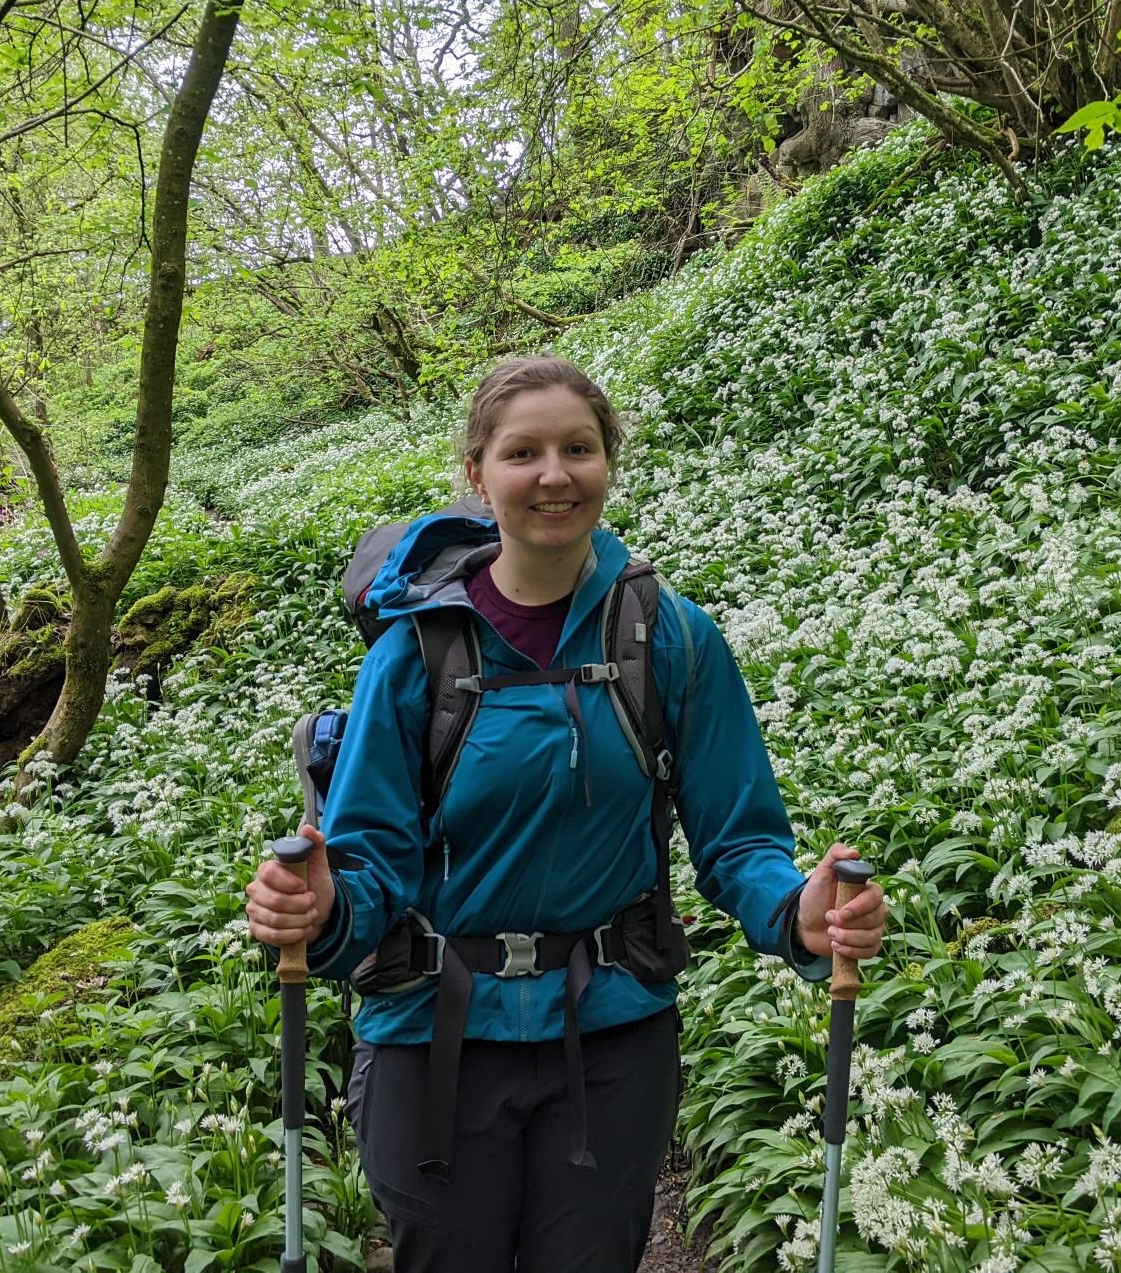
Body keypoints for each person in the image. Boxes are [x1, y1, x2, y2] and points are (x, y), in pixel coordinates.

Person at [245, 355, 886, 1273]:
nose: (555, 475)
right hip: (431, 1032)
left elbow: (739, 837)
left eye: (579, 449)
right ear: (478, 476)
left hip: (613, 1028)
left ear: (608, 463)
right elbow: (370, 858)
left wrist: (796, 913)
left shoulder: (671, 637)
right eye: (523, 453)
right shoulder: (414, 653)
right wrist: (321, 910)